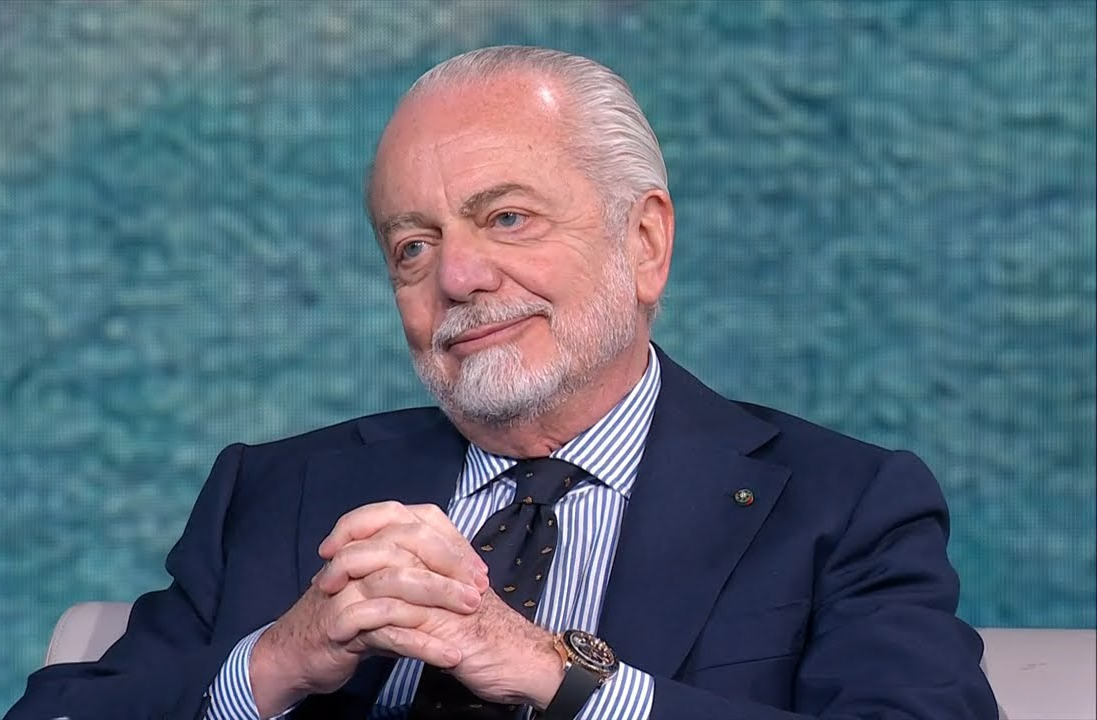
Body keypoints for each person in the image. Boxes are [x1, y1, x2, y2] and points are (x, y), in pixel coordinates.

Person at [7, 46, 999, 720]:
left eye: (507, 219)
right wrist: (276, 662)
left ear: (644, 243)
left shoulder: (843, 503)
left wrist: (557, 676)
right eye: (412, 245)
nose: (458, 276)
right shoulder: (275, 491)